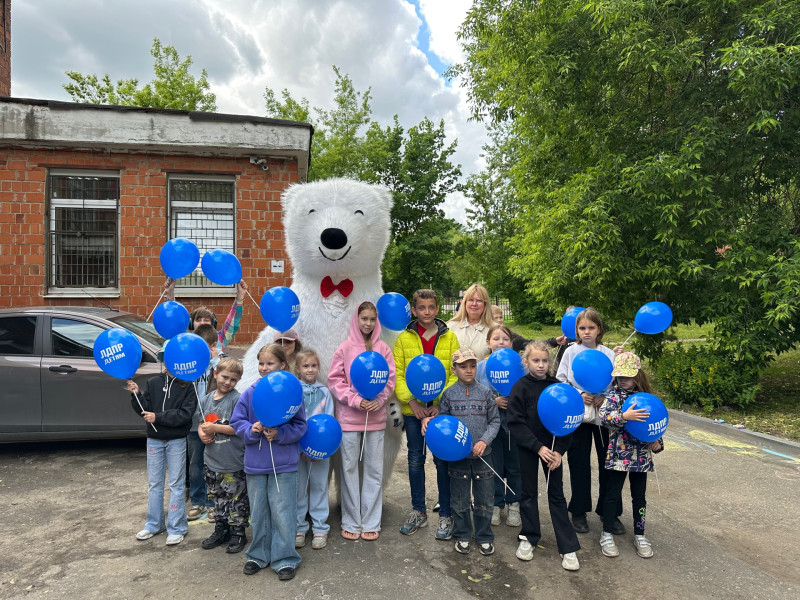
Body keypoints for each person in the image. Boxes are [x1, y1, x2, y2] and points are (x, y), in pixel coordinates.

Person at [230, 344, 307, 581]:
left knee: (283, 512)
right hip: (255, 465)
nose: (264, 368)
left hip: (284, 465)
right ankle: (258, 555)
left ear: (283, 365)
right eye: (261, 363)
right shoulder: (250, 392)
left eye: (270, 363)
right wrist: (250, 430)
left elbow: (301, 426)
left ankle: (285, 558)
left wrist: (281, 434)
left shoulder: (293, 394)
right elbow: (236, 422)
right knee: (259, 513)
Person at [507, 340, 581, 571]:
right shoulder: (520, 387)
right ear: (526, 361)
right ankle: (529, 537)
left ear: (550, 362)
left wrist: (559, 451)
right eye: (535, 360)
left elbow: (568, 422)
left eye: (544, 361)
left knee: (556, 495)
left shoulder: (557, 386)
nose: (541, 365)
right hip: (530, 448)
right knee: (528, 493)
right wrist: (537, 447)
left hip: (553, 450)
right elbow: (515, 423)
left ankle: (567, 547)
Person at [394, 289, 461, 539]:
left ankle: (446, 513)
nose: (426, 312)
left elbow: (455, 373)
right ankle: (418, 511)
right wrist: (412, 403)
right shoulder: (404, 339)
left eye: (431, 307)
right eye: (421, 308)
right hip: (414, 411)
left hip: (440, 411)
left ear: (437, 309)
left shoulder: (450, 338)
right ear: (414, 310)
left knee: (442, 460)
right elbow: (398, 374)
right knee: (414, 459)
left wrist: (440, 405)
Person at [329, 301, 396, 541]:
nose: (368, 323)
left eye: (371, 319)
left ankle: (370, 520)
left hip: (376, 420)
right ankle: (351, 520)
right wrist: (356, 400)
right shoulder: (345, 349)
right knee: (348, 470)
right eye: (364, 318)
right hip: (349, 420)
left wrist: (380, 399)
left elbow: (389, 380)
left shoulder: (383, 349)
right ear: (356, 320)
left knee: (373, 471)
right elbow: (335, 381)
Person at [424, 348, 500, 555]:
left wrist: (484, 441)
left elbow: (494, 421)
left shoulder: (485, 393)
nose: (469, 370)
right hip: (458, 459)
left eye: (473, 366)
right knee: (460, 500)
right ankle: (463, 534)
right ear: (454, 369)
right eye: (463, 367)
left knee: (484, 499)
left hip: (483, 456)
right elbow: (443, 424)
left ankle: (484, 536)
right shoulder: (448, 395)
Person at [556, 308, 622, 535]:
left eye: (591, 328)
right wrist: (578, 393)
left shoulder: (608, 353)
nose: (586, 332)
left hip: (604, 417)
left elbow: (617, 383)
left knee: (609, 464)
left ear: (599, 330)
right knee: (579, 463)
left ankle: (609, 511)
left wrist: (605, 397)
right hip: (580, 417)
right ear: (576, 330)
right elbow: (561, 381)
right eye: (582, 328)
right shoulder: (570, 352)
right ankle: (579, 510)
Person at [598, 352, 664, 559]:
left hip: (641, 457)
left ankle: (640, 533)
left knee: (640, 497)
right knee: (612, 494)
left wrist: (657, 442)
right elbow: (604, 418)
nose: (622, 381)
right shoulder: (614, 395)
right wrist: (624, 416)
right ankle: (606, 533)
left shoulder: (647, 398)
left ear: (638, 375)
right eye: (619, 377)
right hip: (619, 454)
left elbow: (656, 423)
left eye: (627, 376)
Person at [126, 370, 197, 546]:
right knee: (154, 483)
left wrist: (158, 417)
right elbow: (144, 409)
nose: (167, 364)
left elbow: (185, 414)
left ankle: (177, 527)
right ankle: (154, 524)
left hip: (177, 440)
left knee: (176, 484)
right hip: (154, 440)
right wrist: (136, 396)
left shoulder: (188, 384)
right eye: (165, 358)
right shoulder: (154, 382)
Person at [197, 357, 249, 553]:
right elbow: (201, 425)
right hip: (212, 462)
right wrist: (203, 433)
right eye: (225, 377)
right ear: (215, 374)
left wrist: (215, 427)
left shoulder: (238, 399)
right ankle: (221, 528)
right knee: (217, 498)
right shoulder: (206, 400)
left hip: (233, 463)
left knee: (236, 500)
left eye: (233, 380)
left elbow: (239, 428)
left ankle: (238, 532)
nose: (228, 382)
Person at [476, 324, 522, 528]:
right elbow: (475, 396)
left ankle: (514, 503)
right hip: (491, 426)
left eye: (505, 339)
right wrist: (493, 402)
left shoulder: (520, 365)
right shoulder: (480, 368)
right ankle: (496, 503)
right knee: (493, 467)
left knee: (515, 467)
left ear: (511, 343)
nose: (500, 342)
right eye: (496, 339)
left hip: (513, 424)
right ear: (488, 343)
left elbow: (527, 392)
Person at [293, 348, 334, 550]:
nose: (310, 370)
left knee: (319, 486)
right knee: (299, 488)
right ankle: (299, 527)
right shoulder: (294, 392)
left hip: (320, 451)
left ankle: (320, 528)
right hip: (298, 451)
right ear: (298, 369)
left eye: (313, 366)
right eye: (305, 366)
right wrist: (301, 449)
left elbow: (329, 422)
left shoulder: (325, 392)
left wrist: (322, 449)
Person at [186, 323, 225, 523]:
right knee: (195, 464)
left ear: (212, 346)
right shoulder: (191, 364)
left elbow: (226, 381)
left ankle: (212, 503)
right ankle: (197, 500)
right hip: (194, 424)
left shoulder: (218, 366)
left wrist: (215, 359)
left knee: (212, 463)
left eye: (205, 347)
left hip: (213, 423)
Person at [163, 278, 248, 353]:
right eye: (198, 320)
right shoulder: (184, 338)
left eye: (206, 320)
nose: (202, 323)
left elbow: (232, 324)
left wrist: (240, 296)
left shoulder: (219, 339)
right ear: (191, 323)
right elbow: (173, 319)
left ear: (213, 324)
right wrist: (170, 294)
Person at [447, 283, 494, 360]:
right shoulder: (451, 327)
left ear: (485, 305)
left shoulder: (494, 328)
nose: (474, 304)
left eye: (479, 301)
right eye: (471, 300)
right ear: (465, 303)